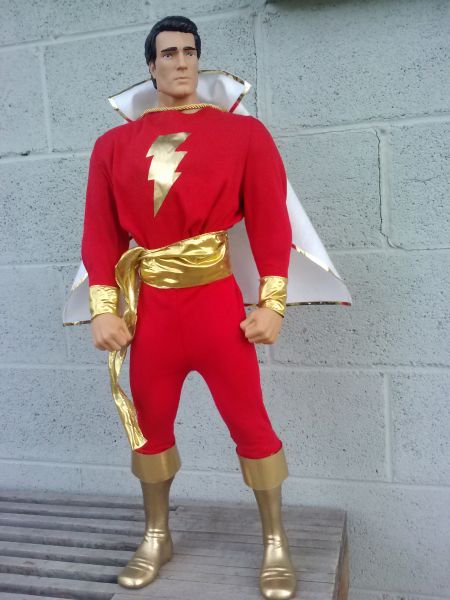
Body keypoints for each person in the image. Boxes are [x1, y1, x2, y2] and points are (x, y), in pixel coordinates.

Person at [81, 15, 297, 600]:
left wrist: (273, 302)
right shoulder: (112, 146)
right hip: (152, 315)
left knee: (250, 421)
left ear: (199, 59)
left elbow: (271, 221)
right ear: (150, 65)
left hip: (217, 310)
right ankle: (156, 534)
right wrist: (104, 309)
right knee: (149, 426)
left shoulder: (244, 135)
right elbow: (100, 234)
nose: (181, 61)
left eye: (190, 51)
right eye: (169, 53)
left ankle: (276, 540)